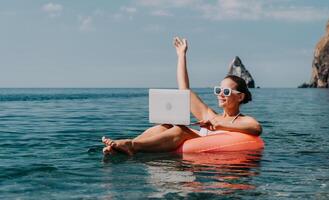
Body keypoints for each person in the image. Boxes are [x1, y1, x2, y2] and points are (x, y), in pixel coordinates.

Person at [102, 37, 262, 156]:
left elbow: (256, 128)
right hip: (193, 150)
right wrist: (181, 56)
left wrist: (218, 126)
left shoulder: (241, 120)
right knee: (163, 126)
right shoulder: (210, 115)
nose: (220, 94)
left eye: (226, 92)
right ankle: (125, 148)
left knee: (181, 130)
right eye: (218, 90)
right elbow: (184, 89)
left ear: (240, 97)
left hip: (206, 167)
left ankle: (132, 145)